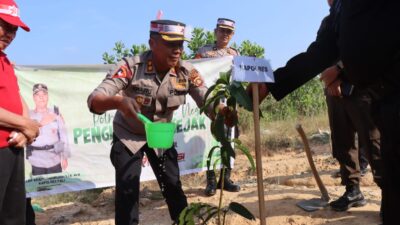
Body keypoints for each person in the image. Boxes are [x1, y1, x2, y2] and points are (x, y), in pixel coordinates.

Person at [248, 0, 400, 223]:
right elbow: (321, 52)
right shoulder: (339, 10)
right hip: (381, 102)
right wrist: (272, 84)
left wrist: (341, 69)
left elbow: (379, 38)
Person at [87, 19, 236, 225]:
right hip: (129, 135)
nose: (177, 51)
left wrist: (222, 112)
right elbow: (94, 100)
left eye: (180, 45)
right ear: (152, 43)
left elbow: (206, 100)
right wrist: (118, 101)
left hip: (160, 134)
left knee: (172, 184)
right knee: (128, 191)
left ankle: (184, 222)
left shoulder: (186, 72)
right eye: (171, 44)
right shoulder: (131, 67)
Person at [321, 61, 382, 211]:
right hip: (334, 90)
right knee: (342, 141)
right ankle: (353, 191)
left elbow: (365, 47)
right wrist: (331, 80)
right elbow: (323, 50)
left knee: (373, 142)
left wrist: (340, 71)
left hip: (362, 85)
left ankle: (389, 196)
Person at [0, 0, 40, 224]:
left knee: (14, 216)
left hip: (12, 148)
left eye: (14, 29)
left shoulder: (5, 60)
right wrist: (26, 125)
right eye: (4, 26)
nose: (10, 34)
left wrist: (26, 129)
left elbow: (16, 97)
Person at [195, 18, 240, 196]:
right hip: (210, 103)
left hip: (229, 103)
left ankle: (225, 179)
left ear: (232, 35)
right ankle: (211, 181)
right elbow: (194, 74)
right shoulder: (204, 52)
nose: (224, 34)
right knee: (211, 140)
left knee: (229, 139)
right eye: (222, 30)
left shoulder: (235, 54)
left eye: (228, 32)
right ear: (215, 31)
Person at [26, 83, 71, 176]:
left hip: (54, 159)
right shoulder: (28, 115)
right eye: (38, 95)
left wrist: (65, 157)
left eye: (44, 95)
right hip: (36, 160)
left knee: (57, 188)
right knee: (39, 188)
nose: (41, 98)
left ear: (48, 97)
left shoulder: (55, 113)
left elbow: (63, 136)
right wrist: (41, 123)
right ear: (34, 97)